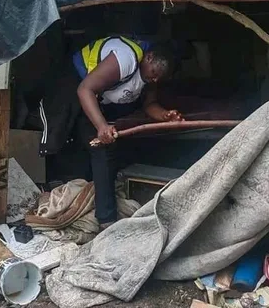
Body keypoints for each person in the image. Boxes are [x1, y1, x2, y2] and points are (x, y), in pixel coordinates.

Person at [39, 36, 181, 228]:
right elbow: (85, 90)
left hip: (95, 97)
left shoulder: (150, 77)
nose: (155, 79)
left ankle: (105, 219)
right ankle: (52, 191)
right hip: (74, 84)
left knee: (102, 149)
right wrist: (101, 126)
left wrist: (165, 115)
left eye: (159, 78)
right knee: (58, 138)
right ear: (149, 57)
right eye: (154, 73)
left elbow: (150, 104)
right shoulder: (126, 58)